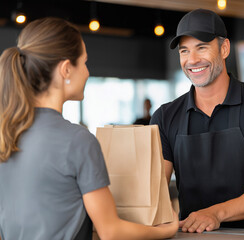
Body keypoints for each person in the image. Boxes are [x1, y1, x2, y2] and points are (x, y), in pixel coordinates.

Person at [0, 17, 178, 240]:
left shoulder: (6, 134)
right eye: (84, 62)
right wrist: (166, 230)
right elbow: (110, 231)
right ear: (66, 69)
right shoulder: (77, 140)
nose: (87, 72)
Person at [150, 8, 244, 233]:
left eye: (202, 48)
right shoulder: (165, 117)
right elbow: (153, 190)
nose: (192, 60)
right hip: (190, 235)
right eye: (184, 51)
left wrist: (216, 213)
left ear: (224, 49)